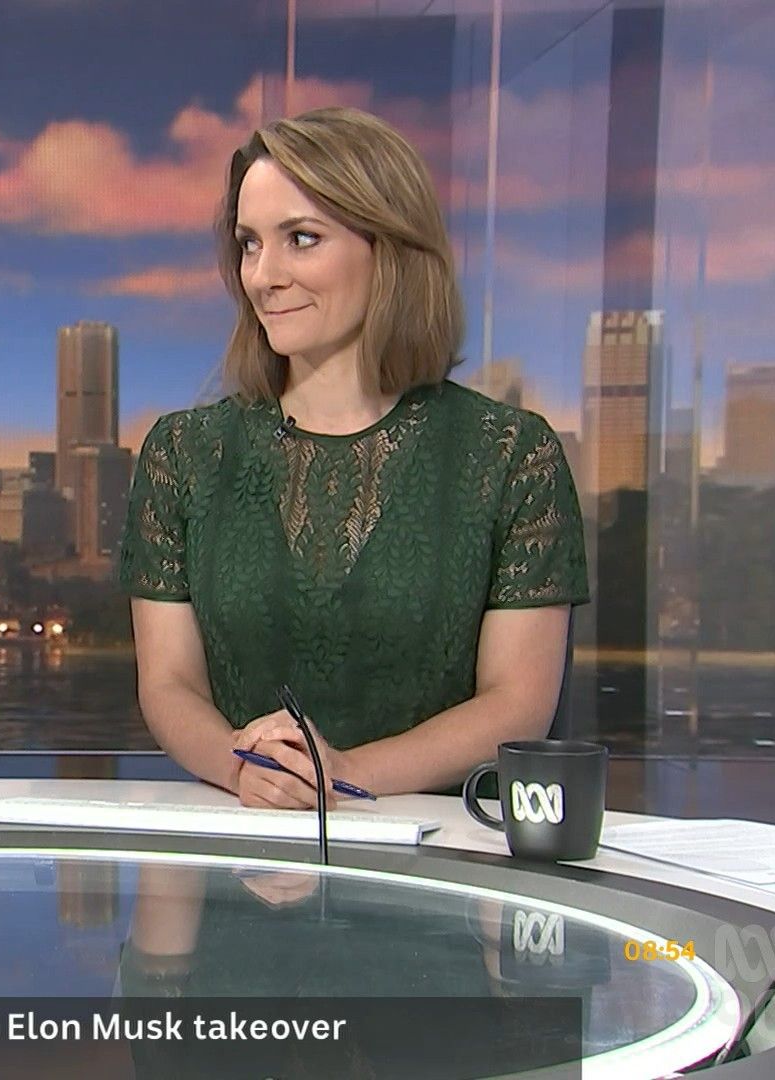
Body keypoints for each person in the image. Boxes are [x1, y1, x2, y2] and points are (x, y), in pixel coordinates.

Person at [118, 106, 588, 810]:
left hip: (437, 852)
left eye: (301, 239)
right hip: (247, 838)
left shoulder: (511, 455)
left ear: (389, 249)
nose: (263, 276)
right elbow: (168, 684)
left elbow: (517, 702)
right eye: (249, 244)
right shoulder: (184, 454)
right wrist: (243, 766)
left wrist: (341, 773)